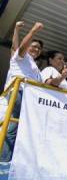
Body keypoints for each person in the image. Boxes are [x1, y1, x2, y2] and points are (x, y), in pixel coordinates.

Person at [2, 22, 44, 162]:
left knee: (22, 128)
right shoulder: (22, 56)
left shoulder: (33, 65)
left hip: (29, 97)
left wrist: (16, 29)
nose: (36, 49)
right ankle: (4, 160)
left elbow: (16, 46)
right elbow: (18, 47)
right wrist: (33, 30)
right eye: (34, 46)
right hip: (18, 92)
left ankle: (11, 158)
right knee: (14, 125)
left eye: (39, 48)